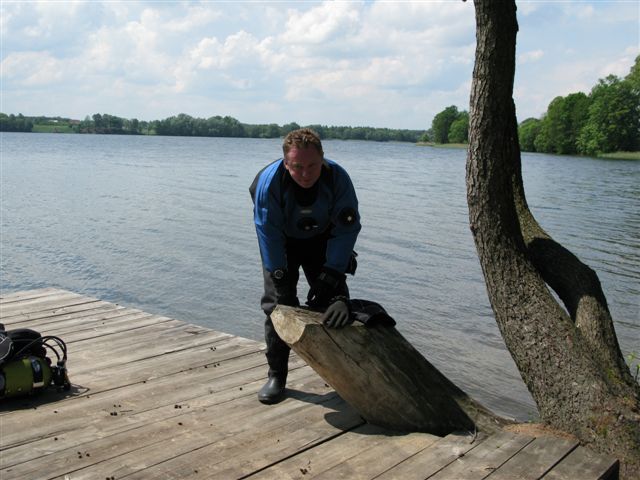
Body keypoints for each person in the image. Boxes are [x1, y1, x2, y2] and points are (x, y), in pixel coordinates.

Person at [250, 128, 361, 404]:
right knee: (278, 307)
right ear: (286, 163)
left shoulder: (338, 179)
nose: (305, 173)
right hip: (282, 241)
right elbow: (268, 233)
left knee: (335, 304)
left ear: (323, 159)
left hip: (321, 240)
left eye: (312, 166)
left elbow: (347, 229)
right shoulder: (269, 183)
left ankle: (347, 376)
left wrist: (332, 272)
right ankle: (277, 376)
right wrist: (280, 279)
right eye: (297, 166)